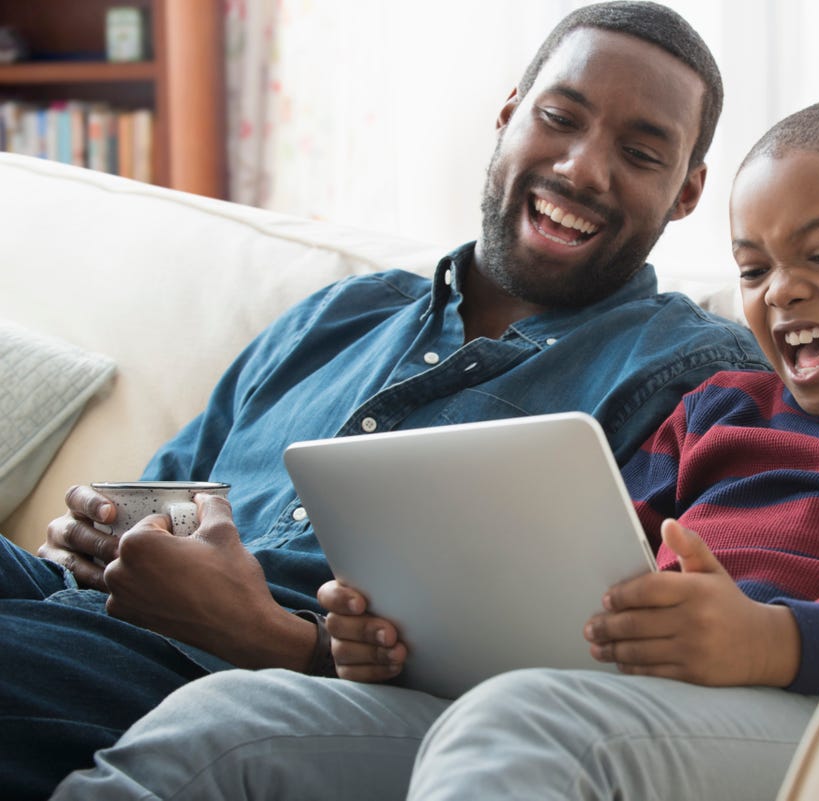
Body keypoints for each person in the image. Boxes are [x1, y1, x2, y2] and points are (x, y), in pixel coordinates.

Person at [51, 97, 819, 800]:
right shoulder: (722, 403)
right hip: (582, 703)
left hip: (806, 720)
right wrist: (398, 641)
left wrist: (768, 640)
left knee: (522, 723)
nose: (779, 294)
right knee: (230, 718)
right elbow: (582, 566)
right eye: (753, 267)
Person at [0, 4, 773, 798]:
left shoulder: (693, 373)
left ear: (687, 192)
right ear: (507, 116)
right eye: (558, 118)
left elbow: (561, 690)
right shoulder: (342, 311)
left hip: (225, 689)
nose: (582, 169)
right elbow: (164, 501)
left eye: (641, 153)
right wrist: (97, 538)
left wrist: (267, 636)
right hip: (74, 614)